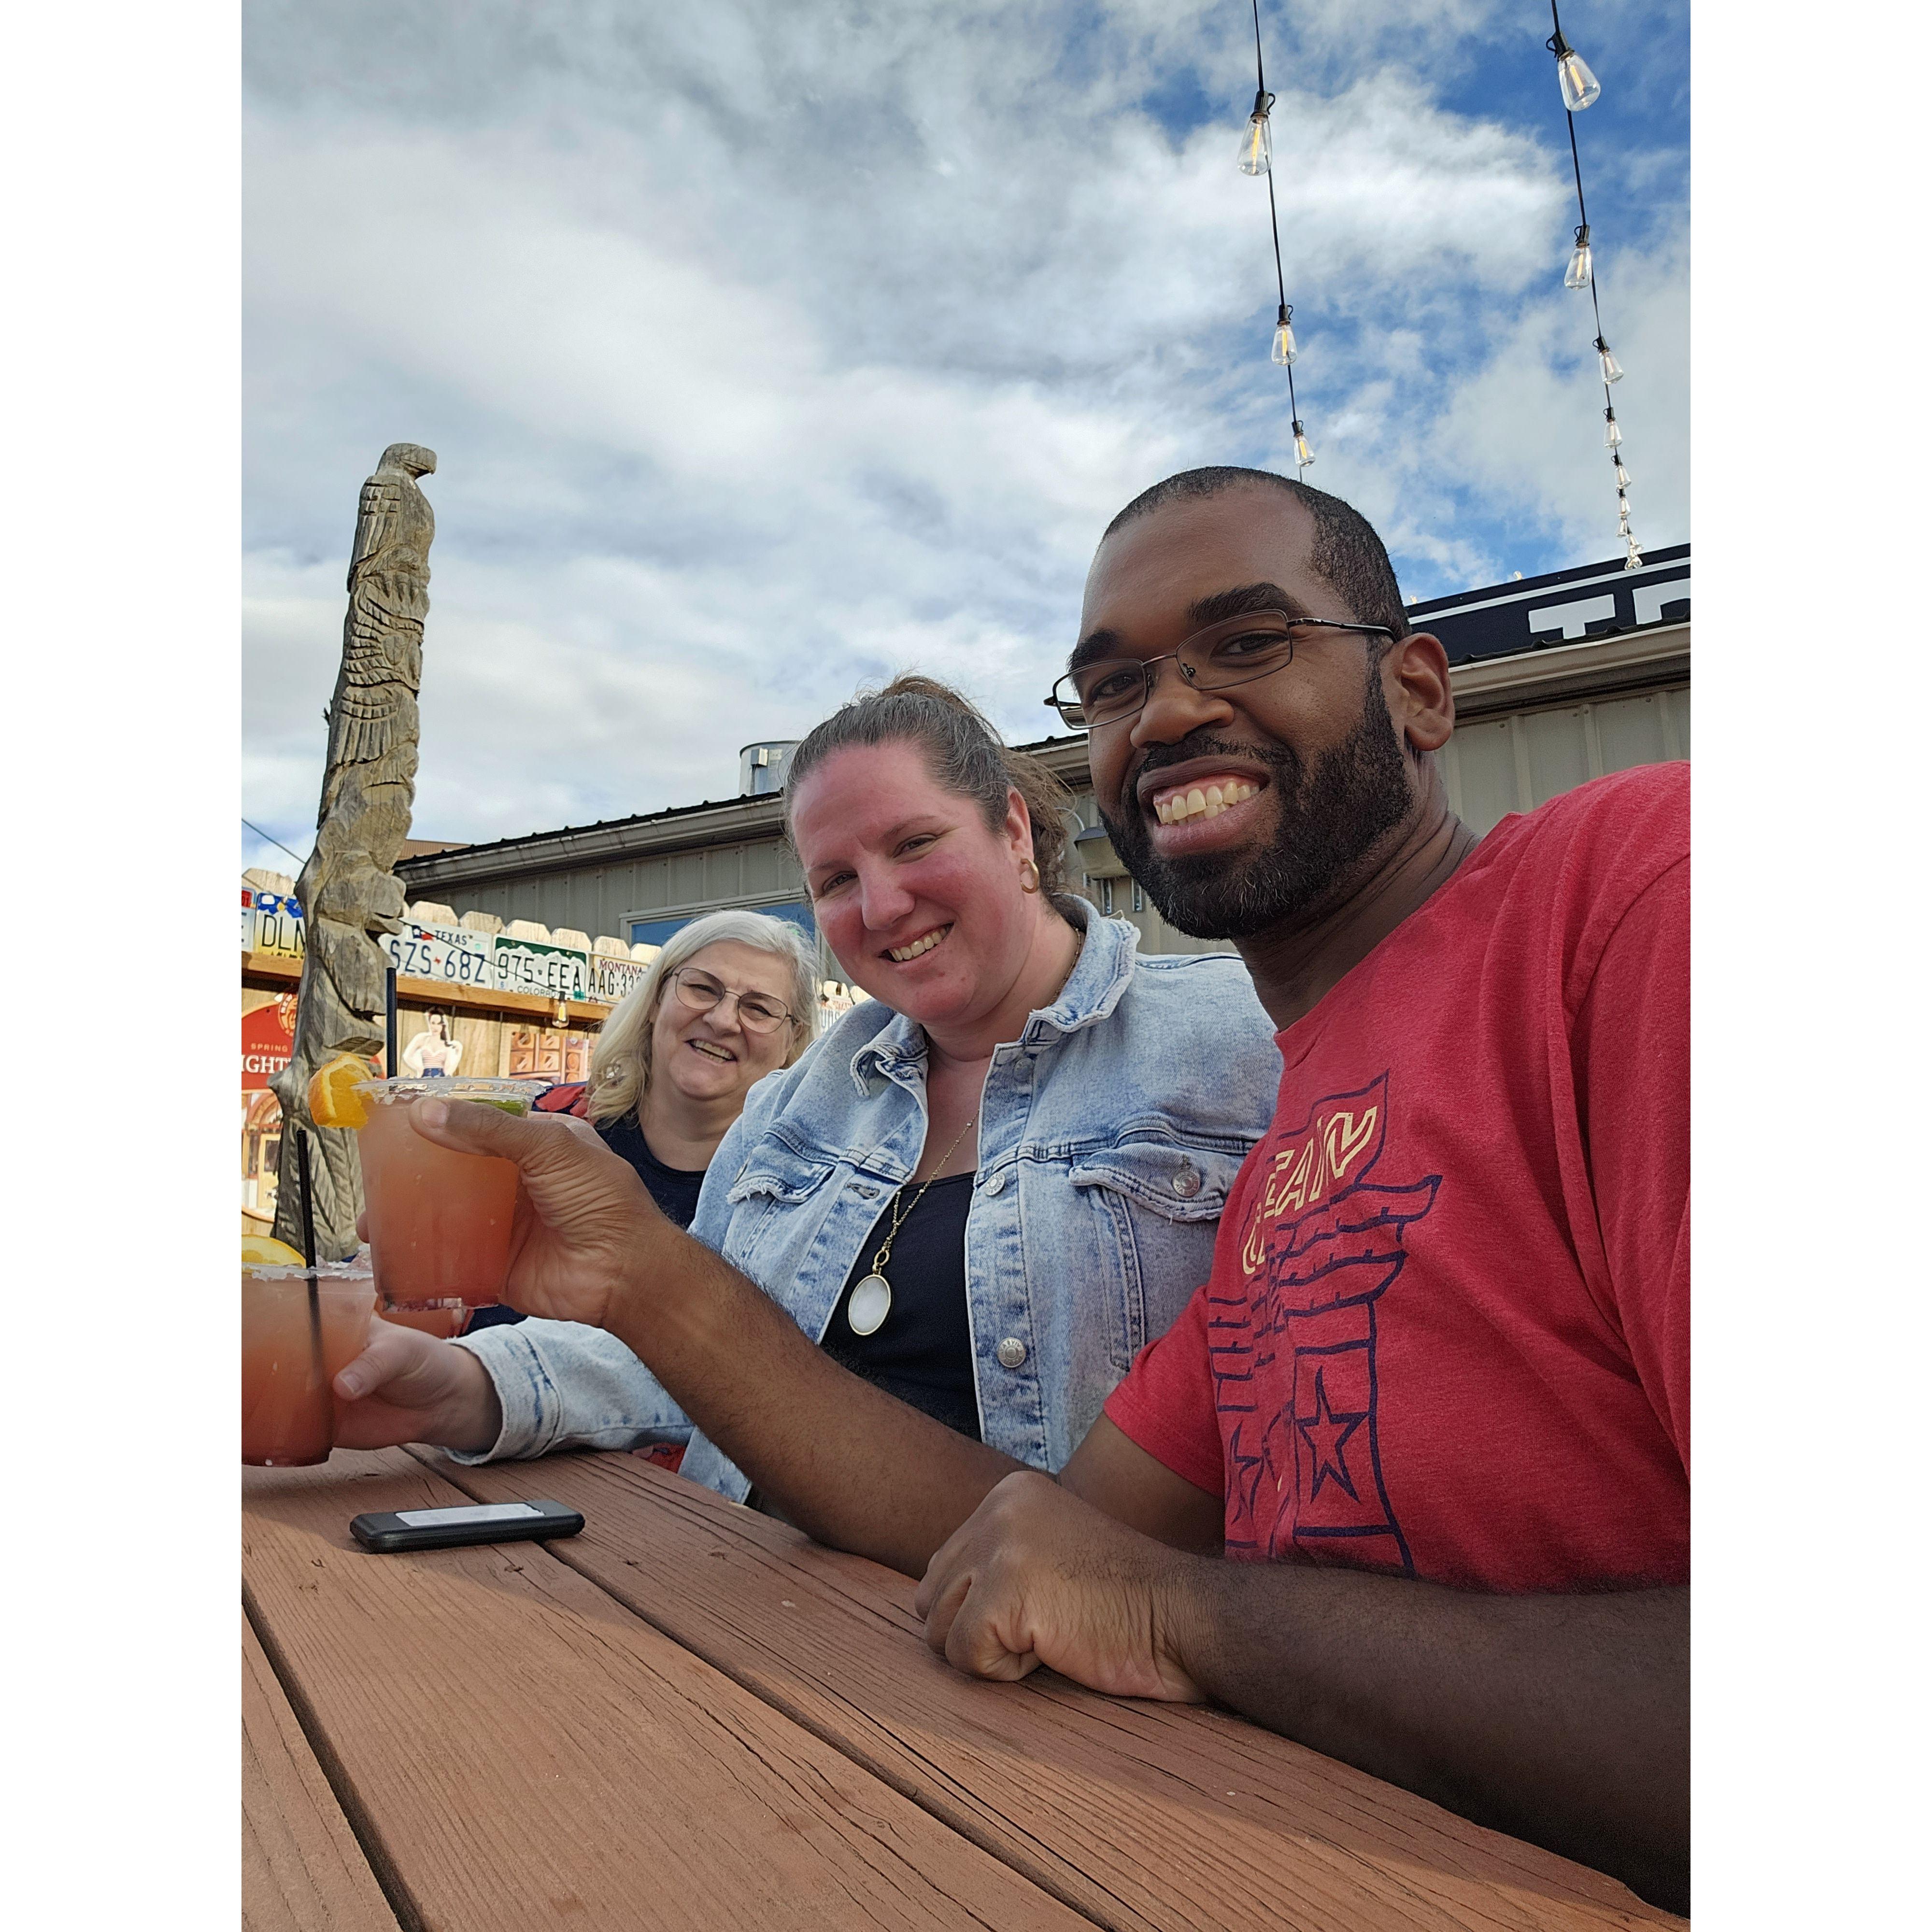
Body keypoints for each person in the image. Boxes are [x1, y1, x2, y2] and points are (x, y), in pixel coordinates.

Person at [338, 472, 1687, 1909]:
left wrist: (1187, 1615)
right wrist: (614, 1294)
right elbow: (1037, 1537)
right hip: (1022, 1788)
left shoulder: (1629, 893)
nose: (1165, 713)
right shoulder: (1298, 1153)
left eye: (1245, 642)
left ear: (1416, 690)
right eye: (1111, 686)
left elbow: (1136, 1586)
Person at [335, 674, 1280, 1482]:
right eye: (835, 880)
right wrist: (466, 1384)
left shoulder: (1242, 1042)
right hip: (736, 1594)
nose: (881, 904)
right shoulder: (797, 1104)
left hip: (1033, 1623)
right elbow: (697, 1352)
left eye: (914, 843)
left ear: (1012, 831)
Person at [459, 909, 820, 1342]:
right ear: (655, 1000)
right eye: (702, 988)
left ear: (792, 1043)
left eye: (759, 1009)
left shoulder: (799, 1201)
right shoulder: (545, 1125)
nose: (723, 1020)